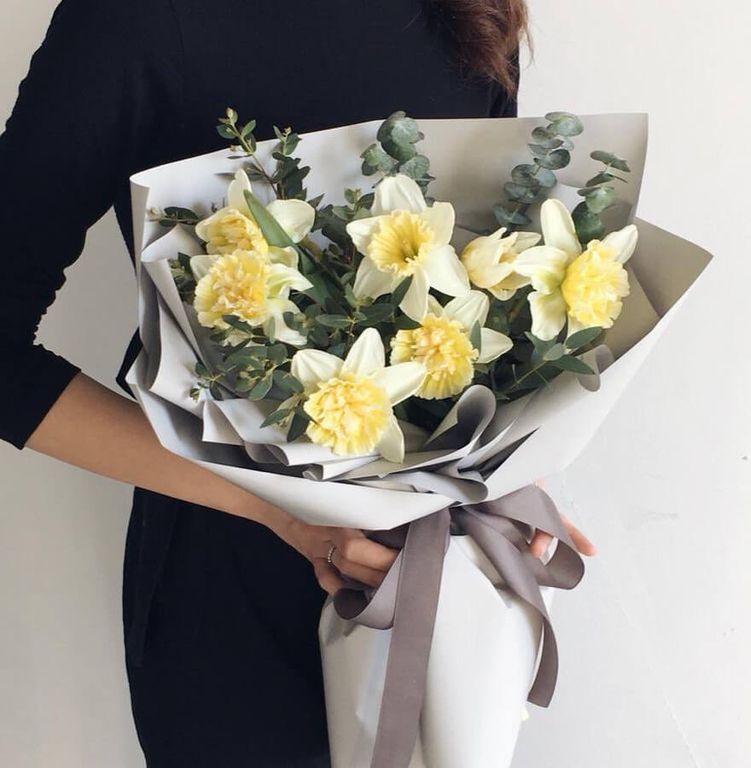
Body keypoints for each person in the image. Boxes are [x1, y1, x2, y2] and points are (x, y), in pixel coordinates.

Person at [0, 0, 596, 765]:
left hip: (438, 560)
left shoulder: (467, 10)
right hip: (229, 584)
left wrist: (509, 476)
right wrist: (280, 512)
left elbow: (485, 278)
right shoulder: (135, 18)